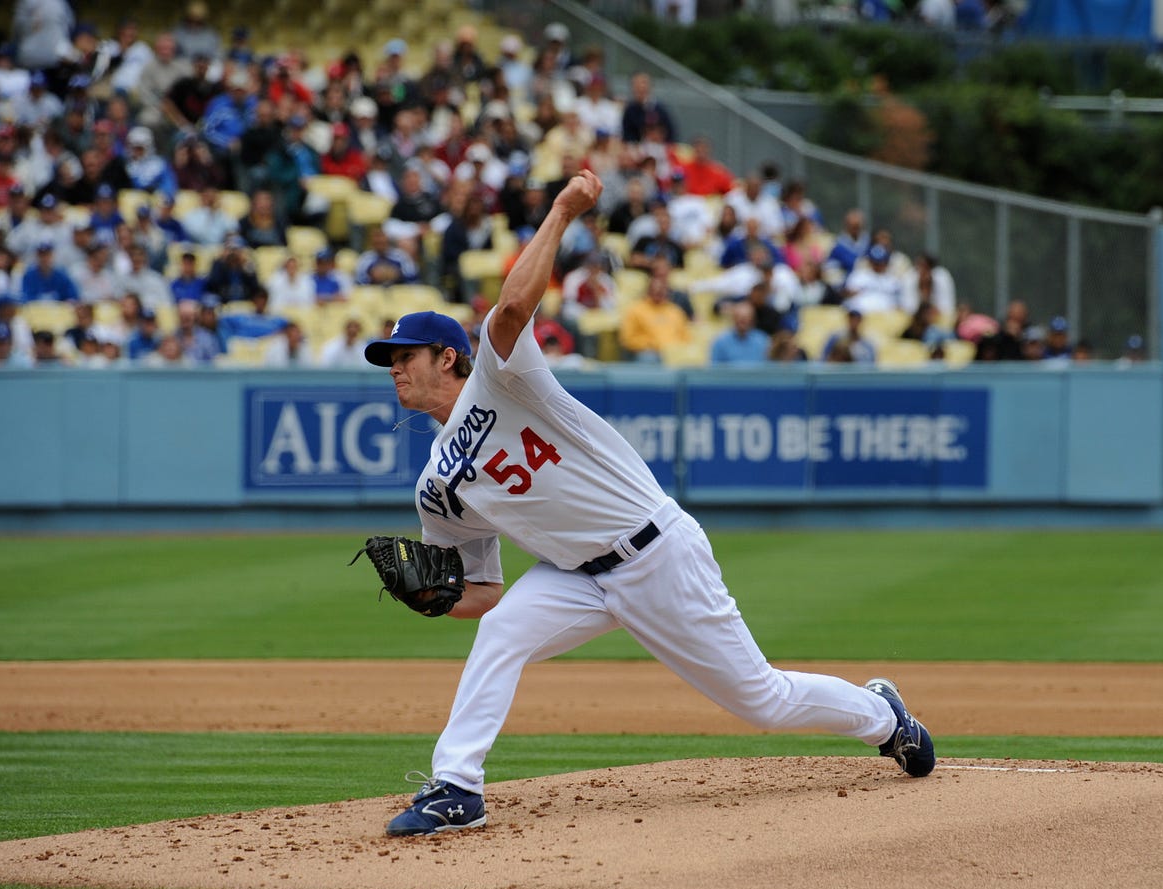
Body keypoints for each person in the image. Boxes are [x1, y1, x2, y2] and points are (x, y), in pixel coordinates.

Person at [359, 168, 934, 838]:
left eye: (405, 354)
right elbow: (484, 589)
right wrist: (436, 599)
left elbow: (513, 310)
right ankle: (458, 787)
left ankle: (884, 717)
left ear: (448, 356)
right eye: (387, 359)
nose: (394, 366)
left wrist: (563, 210)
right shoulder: (435, 486)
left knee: (761, 701)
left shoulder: (502, 377)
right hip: (575, 577)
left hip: (656, 552)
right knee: (502, 632)